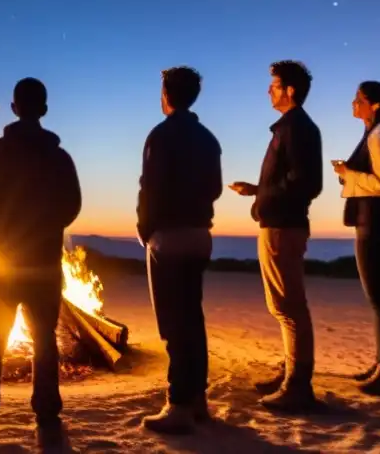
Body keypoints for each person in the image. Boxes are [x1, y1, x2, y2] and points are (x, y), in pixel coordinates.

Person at [0, 78, 82, 450]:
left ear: (14, 108)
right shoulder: (59, 157)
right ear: (43, 109)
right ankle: (48, 422)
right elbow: (71, 206)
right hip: (43, 264)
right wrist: (44, 228)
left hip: (2, 264)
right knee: (44, 340)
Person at [229, 60, 323, 412]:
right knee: (283, 306)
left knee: (288, 308)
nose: (268, 90)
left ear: (291, 90)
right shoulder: (291, 127)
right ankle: (290, 374)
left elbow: (307, 183)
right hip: (279, 222)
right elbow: (291, 180)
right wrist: (259, 189)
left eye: (274, 84)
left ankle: (297, 385)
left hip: (283, 227)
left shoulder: (297, 127)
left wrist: (266, 196)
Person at [136, 66, 223, 434]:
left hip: (168, 236)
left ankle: (178, 404)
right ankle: (198, 399)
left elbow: (150, 187)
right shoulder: (208, 138)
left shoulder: (161, 135)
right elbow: (216, 187)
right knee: (193, 317)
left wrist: (146, 230)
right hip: (200, 234)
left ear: (166, 95)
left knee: (173, 322)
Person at [332, 81, 380, 396]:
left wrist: (349, 174)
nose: (353, 102)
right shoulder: (376, 133)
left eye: (359, 99)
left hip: (377, 225)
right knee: (378, 302)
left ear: (374, 104)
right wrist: (348, 174)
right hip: (372, 222)